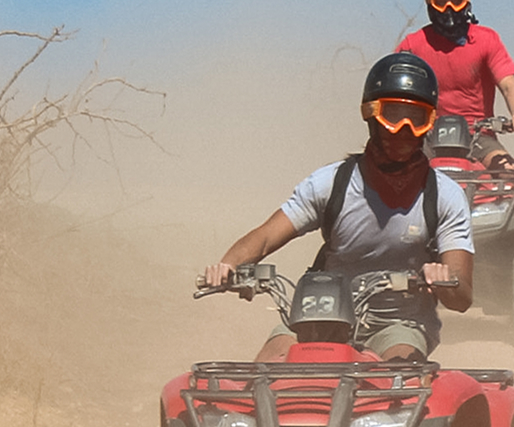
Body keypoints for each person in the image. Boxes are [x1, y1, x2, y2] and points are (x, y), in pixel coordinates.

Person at [200, 53, 474, 361]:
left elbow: (462, 296)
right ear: (371, 114)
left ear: (430, 123)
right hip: (318, 318)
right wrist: (228, 265)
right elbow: (265, 236)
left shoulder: (445, 196)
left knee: (402, 380)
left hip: (400, 324)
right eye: (392, 115)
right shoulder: (331, 184)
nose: (404, 129)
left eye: (417, 118)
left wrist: (443, 281)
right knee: (268, 369)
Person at [395, 0, 514, 169]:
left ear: (467, 1)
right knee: (393, 171)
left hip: (478, 136)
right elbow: (394, 90)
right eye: (441, 1)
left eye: (456, 0)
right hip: (426, 136)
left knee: (508, 172)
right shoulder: (412, 45)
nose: (449, 9)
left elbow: (508, 83)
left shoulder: (487, 40)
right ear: (429, 3)